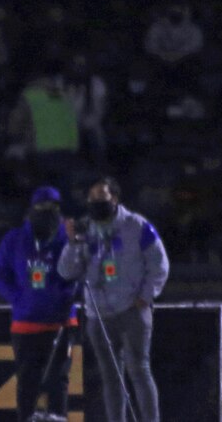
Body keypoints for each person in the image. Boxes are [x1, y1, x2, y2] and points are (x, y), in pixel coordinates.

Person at [59, 177, 169, 422]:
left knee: (139, 370)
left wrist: (145, 296)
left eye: (101, 198)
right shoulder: (86, 229)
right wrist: (73, 243)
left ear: (115, 199)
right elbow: (67, 271)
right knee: (110, 376)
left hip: (132, 311)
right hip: (98, 315)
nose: (95, 202)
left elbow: (159, 265)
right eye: (91, 198)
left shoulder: (137, 226)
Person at [0, 186, 78, 422]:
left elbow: (78, 272)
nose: (48, 213)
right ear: (32, 210)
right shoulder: (15, 239)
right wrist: (18, 298)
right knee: (27, 383)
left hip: (60, 320)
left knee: (58, 383)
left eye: (53, 208)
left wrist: (64, 296)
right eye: (42, 208)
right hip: (26, 322)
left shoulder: (67, 238)